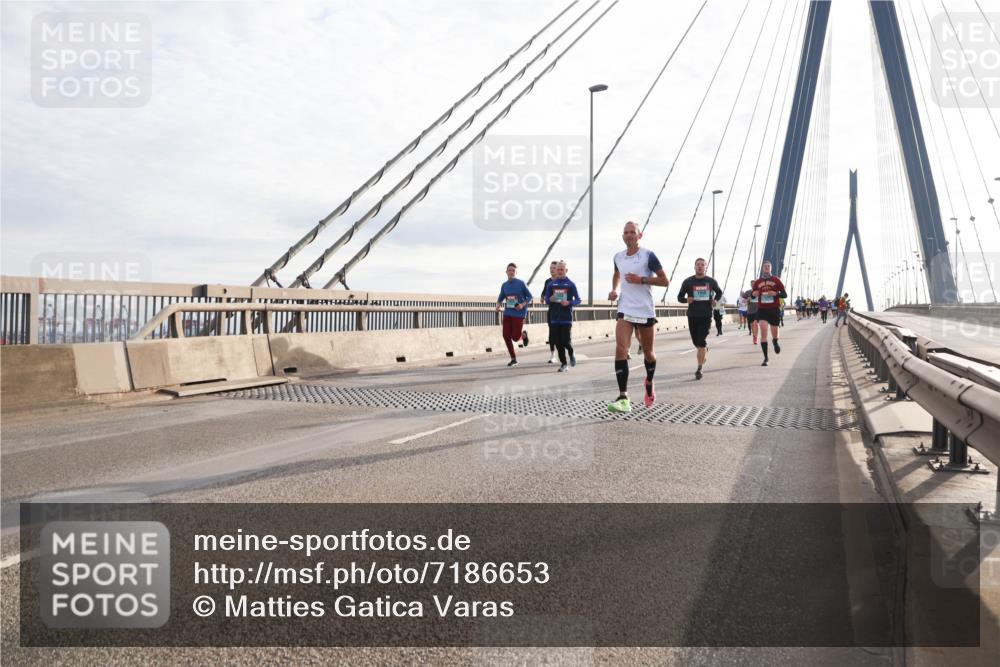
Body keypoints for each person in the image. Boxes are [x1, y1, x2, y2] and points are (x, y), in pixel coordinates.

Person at [608, 221, 668, 413]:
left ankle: (649, 382)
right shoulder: (618, 257)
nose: (629, 235)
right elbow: (617, 274)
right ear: (622, 235)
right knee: (620, 349)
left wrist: (641, 279)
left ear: (639, 235)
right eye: (625, 232)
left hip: (645, 310)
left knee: (649, 353)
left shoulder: (648, 255)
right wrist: (614, 290)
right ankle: (623, 397)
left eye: (632, 232)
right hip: (625, 309)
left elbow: (664, 280)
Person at [677, 258, 723, 380]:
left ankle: (699, 368)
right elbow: (679, 297)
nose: (700, 267)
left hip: (706, 315)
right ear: (694, 266)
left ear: (705, 267)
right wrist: (687, 300)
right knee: (696, 343)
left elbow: (719, 292)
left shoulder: (711, 281)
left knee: (701, 341)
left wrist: (715, 300)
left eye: (702, 265)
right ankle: (703, 352)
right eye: (698, 264)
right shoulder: (688, 282)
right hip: (692, 315)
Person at [542, 260, 581, 372]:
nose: (559, 271)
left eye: (561, 269)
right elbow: (547, 300)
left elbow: (578, 300)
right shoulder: (551, 284)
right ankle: (564, 364)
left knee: (566, 341)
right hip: (554, 318)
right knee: (558, 343)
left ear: (566, 270)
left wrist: (569, 302)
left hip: (566, 318)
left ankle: (571, 353)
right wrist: (550, 299)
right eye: (558, 269)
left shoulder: (570, 284)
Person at [751, 260, 787, 367]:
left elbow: (785, 294)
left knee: (775, 333)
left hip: (774, 309)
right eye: (765, 266)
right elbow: (753, 295)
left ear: (771, 268)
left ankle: (775, 342)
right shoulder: (758, 282)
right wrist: (754, 293)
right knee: (763, 331)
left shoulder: (776, 280)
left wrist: (776, 294)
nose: (767, 267)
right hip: (762, 310)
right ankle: (766, 358)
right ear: (762, 268)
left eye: (768, 266)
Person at [496, 263, 532, 367]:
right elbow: (501, 297)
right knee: (506, 336)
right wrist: (498, 305)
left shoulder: (521, 283)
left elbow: (529, 297)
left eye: (513, 270)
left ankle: (523, 335)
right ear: (506, 272)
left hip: (519, 314)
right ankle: (513, 358)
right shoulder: (505, 285)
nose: (511, 272)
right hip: (508, 313)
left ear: (516, 272)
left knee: (515, 338)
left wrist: (522, 304)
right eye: (509, 270)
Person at [541, 261, 559, 363]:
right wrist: (542, 298)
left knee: (562, 335)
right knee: (551, 333)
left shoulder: (562, 281)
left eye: (554, 268)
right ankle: (553, 355)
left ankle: (569, 351)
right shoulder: (547, 281)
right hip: (552, 311)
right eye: (551, 268)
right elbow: (543, 293)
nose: (552, 269)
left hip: (562, 311)